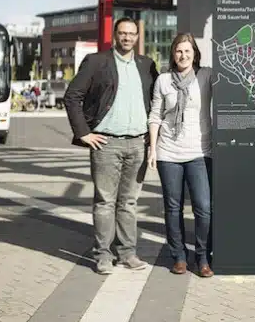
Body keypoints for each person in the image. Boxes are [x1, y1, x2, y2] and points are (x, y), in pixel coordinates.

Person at [64, 17, 159, 274]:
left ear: (138, 36)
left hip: (138, 143)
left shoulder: (147, 65)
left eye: (131, 34)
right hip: (106, 144)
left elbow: (157, 101)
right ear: (115, 35)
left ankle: (127, 253)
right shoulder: (97, 62)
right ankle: (103, 255)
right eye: (122, 33)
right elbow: (72, 96)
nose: (127, 38)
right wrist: (83, 132)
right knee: (105, 201)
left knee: (128, 202)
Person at [147, 33, 214, 278]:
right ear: (173, 54)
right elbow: (156, 115)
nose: (183, 55)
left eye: (187, 51)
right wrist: (152, 149)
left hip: (199, 151)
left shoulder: (206, 76)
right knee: (173, 207)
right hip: (168, 152)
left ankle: (203, 256)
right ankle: (179, 257)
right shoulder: (164, 80)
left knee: (204, 208)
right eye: (178, 51)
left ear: (195, 53)